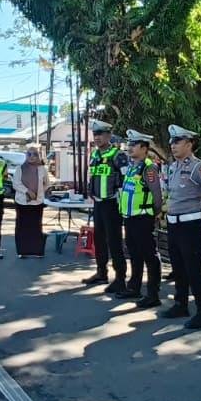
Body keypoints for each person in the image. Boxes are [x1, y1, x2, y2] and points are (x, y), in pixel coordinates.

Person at [162, 125, 201, 329]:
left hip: (190, 224)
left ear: (189, 144)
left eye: (177, 141)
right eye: (172, 142)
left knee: (195, 269)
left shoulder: (198, 167)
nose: (173, 145)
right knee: (178, 267)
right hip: (173, 223)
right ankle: (180, 304)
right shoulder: (173, 166)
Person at [118, 130, 165, 308]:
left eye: (134, 144)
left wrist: (156, 213)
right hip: (130, 218)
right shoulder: (131, 166)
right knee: (134, 253)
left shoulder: (149, 167)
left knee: (149, 256)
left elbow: (157, 194)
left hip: (143, 218)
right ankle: (134, 287)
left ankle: (153, 294)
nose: (130, 148)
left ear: (144, 148)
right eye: (129, 144)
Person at [85, 119, 130, 294]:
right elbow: (92, 176)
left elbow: (126, 179)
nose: (97, 137)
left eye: (100, 134)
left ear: (109, 135)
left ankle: (120, 279)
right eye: (95, 134)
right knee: (99, 239)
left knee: (114, 241)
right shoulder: (94, 155)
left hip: (112, 203)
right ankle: (101, 272)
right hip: (98, 203)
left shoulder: (118, 155)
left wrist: (120, 198)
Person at [12, 143, 52, 258]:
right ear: (26, 156)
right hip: (22, 202)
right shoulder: (20, 168)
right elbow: (16, 184)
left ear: (38, 156)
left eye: (34, 154)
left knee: (36, 227)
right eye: (29, 154)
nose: (32, 156)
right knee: (22, 227)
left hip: (37, 202)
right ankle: (22, 251)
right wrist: (27, 191)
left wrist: (39, 192)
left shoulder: (42, 169)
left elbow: (47, 184)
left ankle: (37, 251)